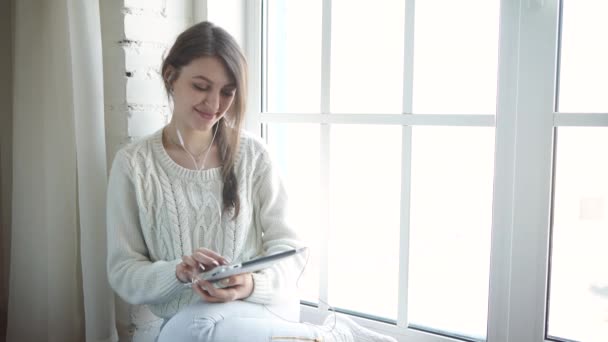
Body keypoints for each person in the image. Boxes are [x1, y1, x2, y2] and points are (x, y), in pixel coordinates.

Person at [106, 21, 397, 342]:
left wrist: (250, 283)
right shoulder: (134, 164)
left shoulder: (253, 155)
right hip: (192, 322)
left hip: (259, 307)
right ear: (171, 76)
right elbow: (123, 271)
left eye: (227, 92)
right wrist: (177, 271)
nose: (214, 104)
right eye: (201, 86)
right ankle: (332, 336)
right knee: (188, 328)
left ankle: (336, 336)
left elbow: (292, 250)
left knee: (191, 330)